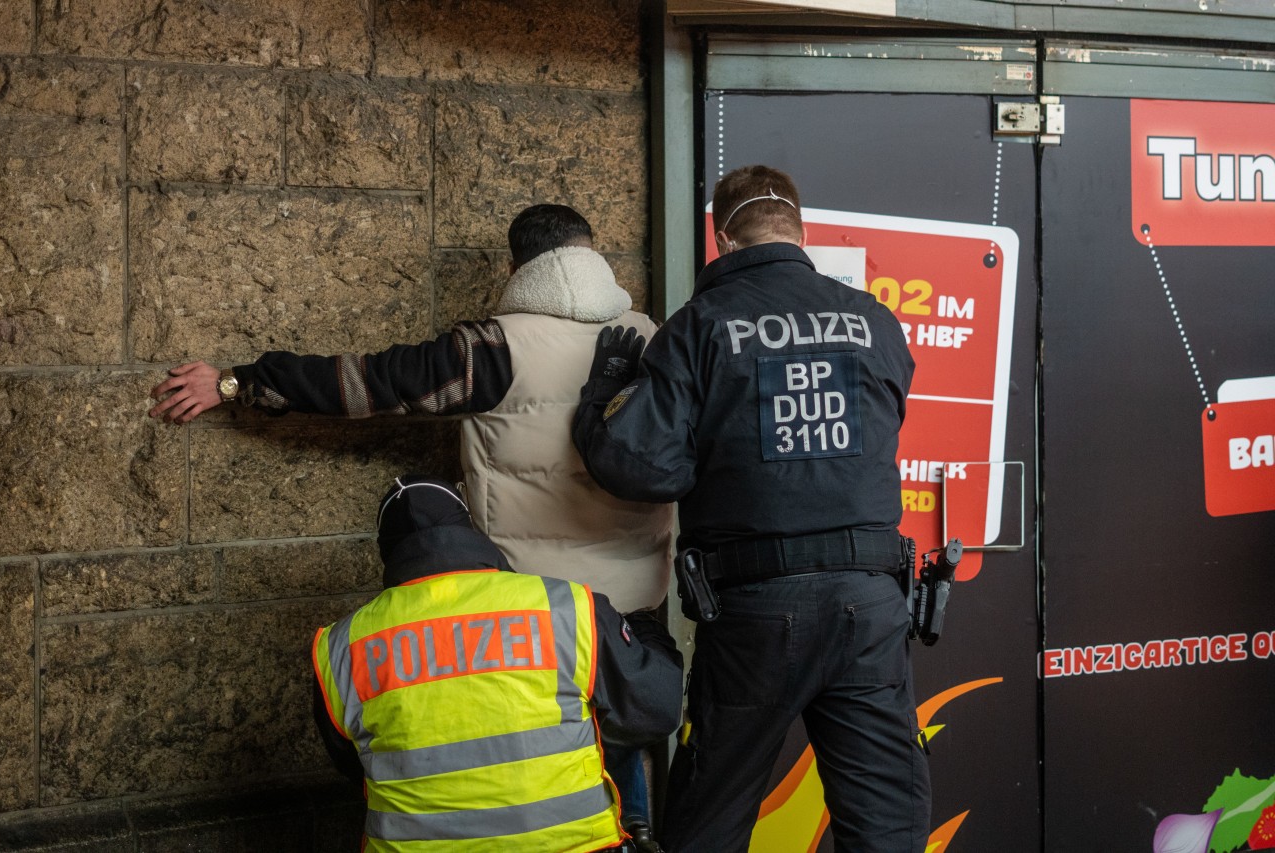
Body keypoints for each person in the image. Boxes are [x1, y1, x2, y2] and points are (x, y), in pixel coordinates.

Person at [148, 204, 674, 846]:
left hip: (529, 611)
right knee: (614, 753)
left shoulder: (494, 348)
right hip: (637, 591)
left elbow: (368, 383)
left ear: (517, 268)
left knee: (511, 756)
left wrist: (239, 382)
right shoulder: (654, 337)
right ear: (593, 253)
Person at [572, 165, 931, 852]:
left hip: (759, 615)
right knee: (887, 826)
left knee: (709, 821)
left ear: (721, 236)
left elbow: (641, 464)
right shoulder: (874, 322)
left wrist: (604, 393)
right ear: (801, 230)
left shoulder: (699, 326)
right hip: (871, 606)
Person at [312, 474, 683, 852]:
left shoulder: (342, 645)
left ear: (387, 554)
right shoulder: (563, 606)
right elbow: (655, 708)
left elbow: (353, 763)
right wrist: (644, 630)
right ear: (468, 530)